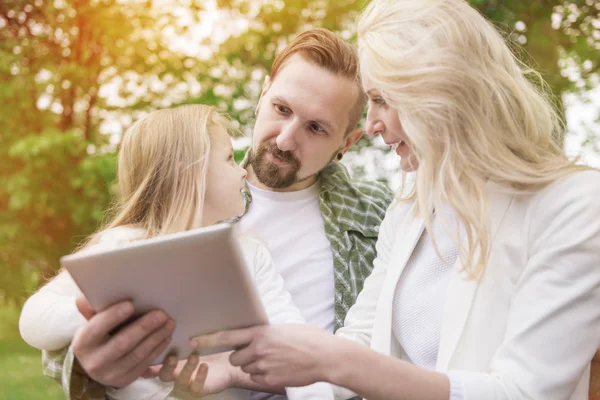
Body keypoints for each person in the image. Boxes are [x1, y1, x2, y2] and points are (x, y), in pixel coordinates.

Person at [189, 0, 600, 399]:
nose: (371, 125)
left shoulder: (573, 205)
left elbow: (524, 392)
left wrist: (334, 360)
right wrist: (227, 371)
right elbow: (363, 344)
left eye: (383, 100)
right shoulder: (413, 202)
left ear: (441, 94)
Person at [38, 29, 393, 399]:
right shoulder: (192, 194)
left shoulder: (380, 217)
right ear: (262, 95)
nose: (286, 139)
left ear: (347, 143)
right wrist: (88, 364)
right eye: (282, 109)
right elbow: (65, 339)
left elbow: (394, 348)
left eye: (316, 128)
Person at [20, 104, 334, 400]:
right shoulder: (124, 245)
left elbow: (293, 336)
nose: (242, 171)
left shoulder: (249, 253)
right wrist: (102, 314)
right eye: (228, 158)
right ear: (189, 174)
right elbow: (33, 320)